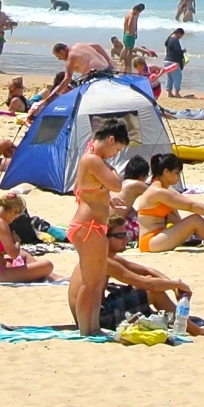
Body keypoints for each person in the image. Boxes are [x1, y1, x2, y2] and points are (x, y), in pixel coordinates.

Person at [66, 121, 128, 336]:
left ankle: (93, 327)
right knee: (90, 283)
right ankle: (87, 329)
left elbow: (83, 189)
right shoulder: (93, 159)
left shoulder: (91, 158)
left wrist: (107, 201)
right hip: (88, 226)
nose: (114, 155)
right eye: (117, 149)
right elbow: (117, 184)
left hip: (92, 224)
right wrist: (111, 172)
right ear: (111, 140)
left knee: (96, 281)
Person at [0, 193, 54, 282]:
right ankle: (55, 277)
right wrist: (17, 241)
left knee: (23, 254)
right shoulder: (0, 224)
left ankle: (54, 276)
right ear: (13, 211)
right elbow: (14, 254)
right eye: (15, 217)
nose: (13, 220)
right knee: (47, 265)